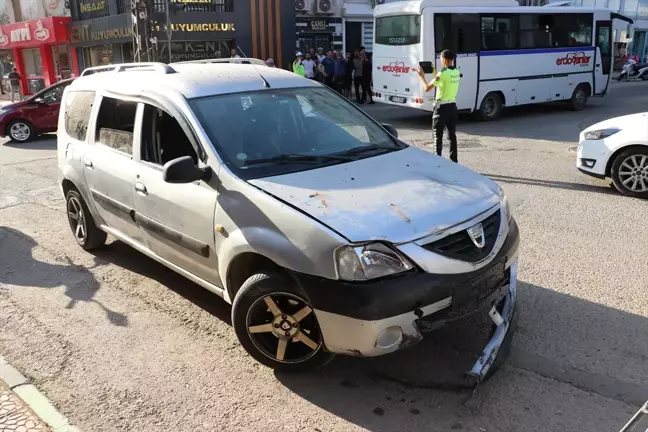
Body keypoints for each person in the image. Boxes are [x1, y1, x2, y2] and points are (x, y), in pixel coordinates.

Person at [417, 49, 460, 163]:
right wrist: (434, 72)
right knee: (452, 135)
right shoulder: (455, 72)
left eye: (441, 58)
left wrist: (421, 77)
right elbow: (442, 80)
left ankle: (437, 162)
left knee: (437, 136)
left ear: (445, 59)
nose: (440, 60)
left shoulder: (442, 74)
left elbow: (427, 88)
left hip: (441, 108)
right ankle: (453, 161)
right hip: (452, 107)